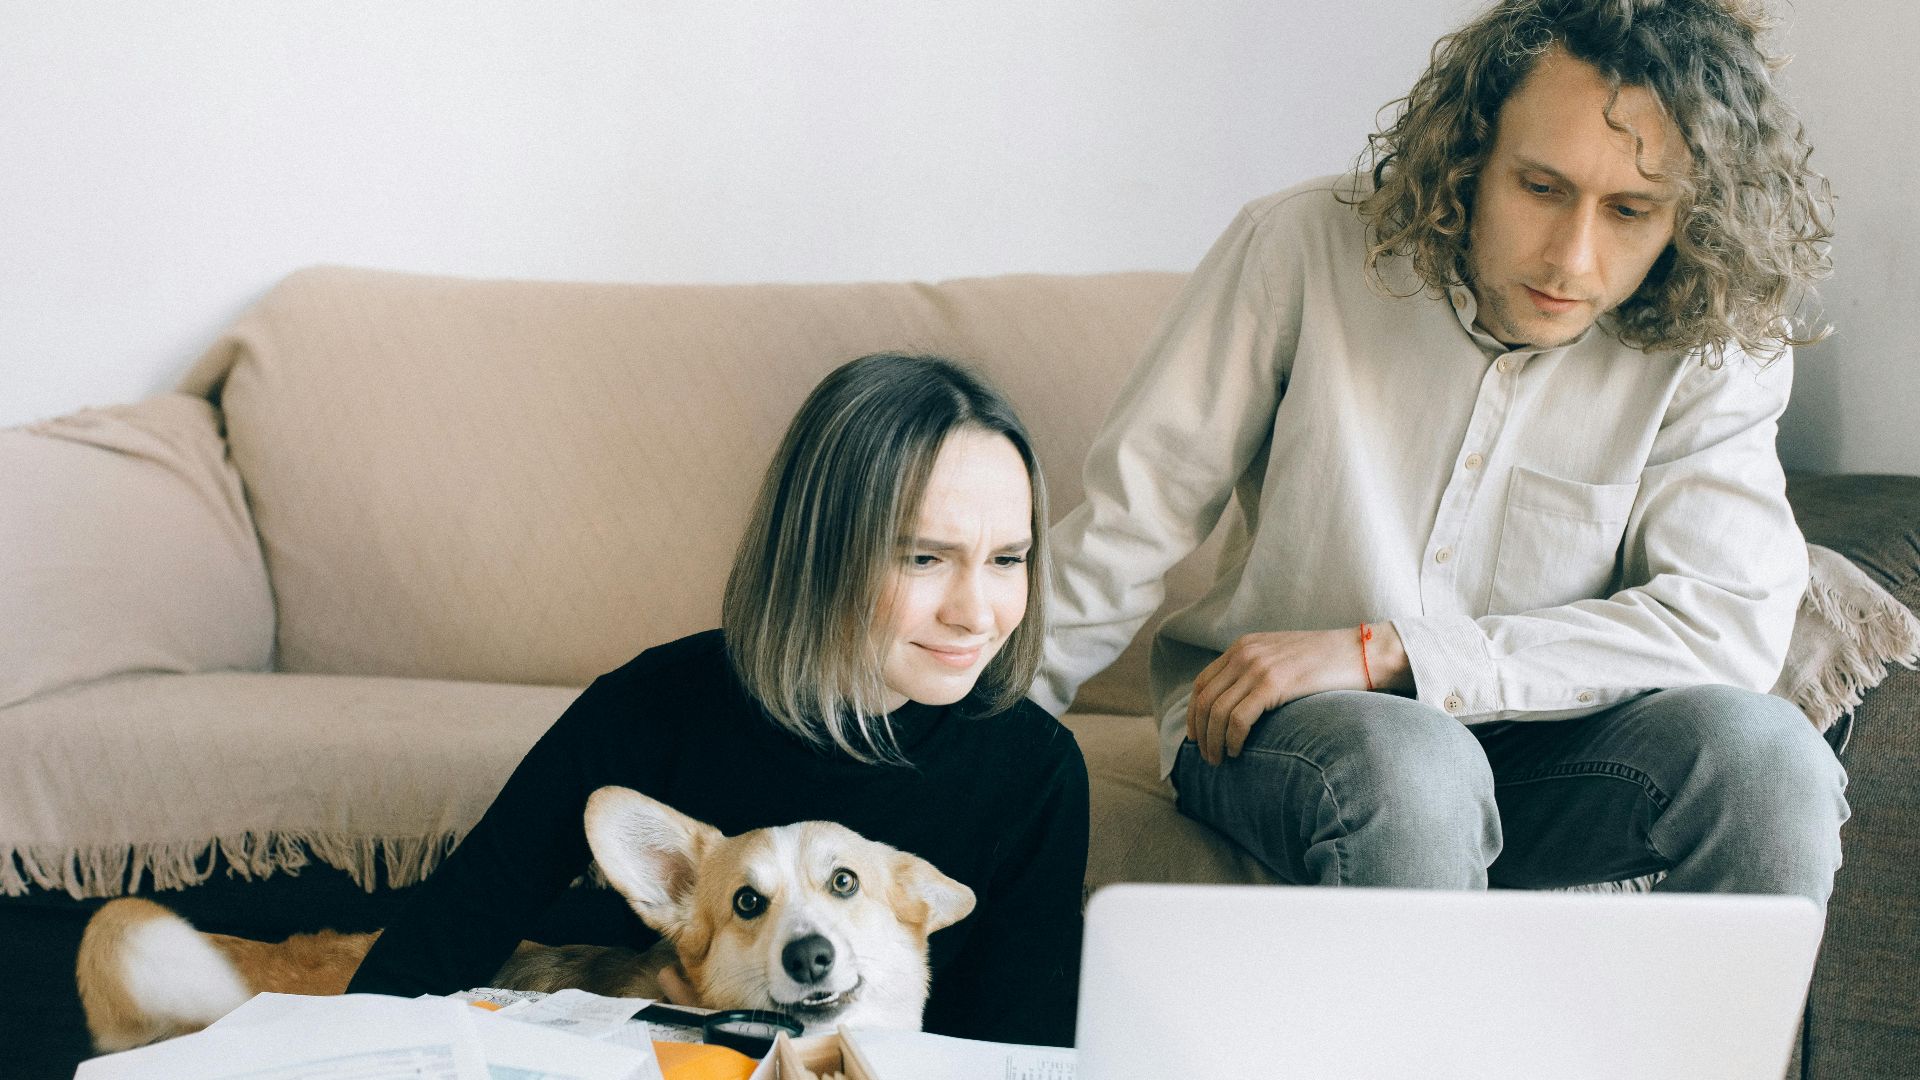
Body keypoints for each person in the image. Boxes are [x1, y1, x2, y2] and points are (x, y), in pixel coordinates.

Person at [1036, 0, 1848, 904]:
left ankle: (1701, 1053)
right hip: (1279, 735)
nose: (1573, 259)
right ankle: (1422, 1054)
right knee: (1416, 762)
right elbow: (1125, 526)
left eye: (1630, 210)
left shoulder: (1715, 340)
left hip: (1551, 750)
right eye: (1540, 188)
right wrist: (961, 744)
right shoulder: (1302, 247)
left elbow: (1725, 622)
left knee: (1775, 762)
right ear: (1468, 154)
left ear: (1690, 216)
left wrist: (1393, 652)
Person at [348, 353, 1088, 1046]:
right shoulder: (649, 708)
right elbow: (413, 972)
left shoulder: (1036, 770)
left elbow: (1023, 1057)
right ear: (819, 553)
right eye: (925, 558)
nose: (978, 613)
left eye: (1007, 560)